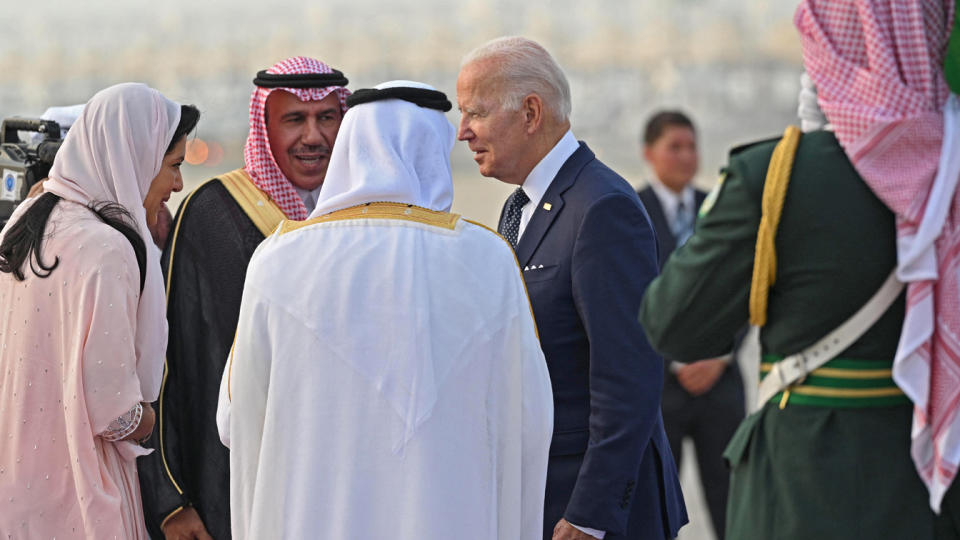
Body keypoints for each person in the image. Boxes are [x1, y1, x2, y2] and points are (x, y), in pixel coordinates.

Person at [640, 1, 957, 538]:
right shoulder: (949, 171)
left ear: (828, 51)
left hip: (801, 485)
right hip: (932, 486)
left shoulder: (773, 175)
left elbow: (672, 323)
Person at [216, 80, 554, 539]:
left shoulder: (277, 259)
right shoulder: (488, 259)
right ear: (432, 149)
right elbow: (530, 419)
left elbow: (234, 418)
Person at [457, 36, 687, 540]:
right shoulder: (522, 206)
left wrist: (591, 513)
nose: (462, 133)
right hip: (544, 495)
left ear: (531, 113)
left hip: (591, 512)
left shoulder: (601, 207)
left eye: (475, 112)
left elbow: (630, 376)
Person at [136, 56, 350, 540]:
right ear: (265, 126)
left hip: (339, 485)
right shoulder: (211, 213)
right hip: (228, 487)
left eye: (327, 118)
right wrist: (171, 500)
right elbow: (165, 364)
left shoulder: (367, 218)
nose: (313, 136)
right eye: (294, 119)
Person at [0, 83, 199, 539]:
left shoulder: (24, 221)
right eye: (173, 166)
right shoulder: (107, 248)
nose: (178, 184)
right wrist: (151, 418)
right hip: (77, 496)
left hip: (15, 490)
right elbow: (116, 415)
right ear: (136, 158)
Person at [636, 110, 743, 540]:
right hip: (658, 385)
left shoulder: (720, 208)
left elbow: (746, 283)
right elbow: (628, 296)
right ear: (649, 153)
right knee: (657, 501)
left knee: (733, 499)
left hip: (721, 382)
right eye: (674, 146)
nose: (685, 156)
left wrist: (720, 353)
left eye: (691, 146)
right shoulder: (628, 210)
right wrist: (674, 357)